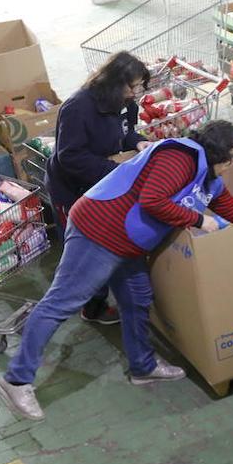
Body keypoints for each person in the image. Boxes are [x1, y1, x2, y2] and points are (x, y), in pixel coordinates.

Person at [0, 122, 233, 422]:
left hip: (128, 241)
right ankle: (16, 380)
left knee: (137, 298)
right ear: (219, 154)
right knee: (62, 302)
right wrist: (200, 221)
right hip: (98, 230)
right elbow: (153, 200)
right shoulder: (179, 158)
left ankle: (143, 365)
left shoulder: (209, 180)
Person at [45, 51, 153, 326]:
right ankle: (89, 307)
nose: (137, 92)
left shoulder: (127, 104)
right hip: (72, 188)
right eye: (133, 86)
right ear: (114, 83)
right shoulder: (78, 107)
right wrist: (116, 171)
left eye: (140, 85)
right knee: (84, 252)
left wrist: (138, 142)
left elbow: (125, 132)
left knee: (104, 242)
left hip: (103, 182)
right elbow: (68, 156)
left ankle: (100, 295)